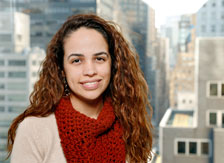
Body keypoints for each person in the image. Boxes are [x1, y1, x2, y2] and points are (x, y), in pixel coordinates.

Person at [7, 14, 153, 163]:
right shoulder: (34, 130)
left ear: (113, 64)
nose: (90, 71)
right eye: (76, 60)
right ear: (62, 69)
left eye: (99, 58)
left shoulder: (129, 123)